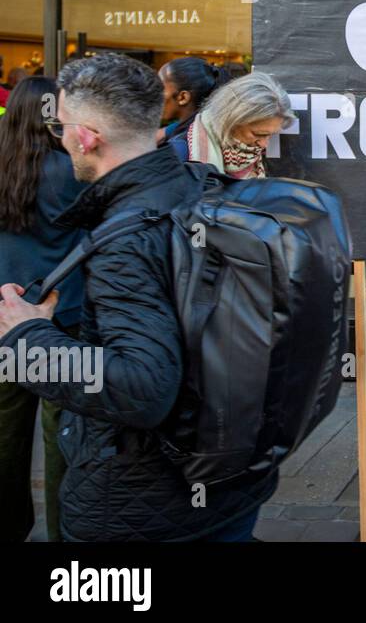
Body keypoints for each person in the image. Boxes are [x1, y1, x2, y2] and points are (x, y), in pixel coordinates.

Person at [0, 53, 278, 541]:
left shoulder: (126, 240)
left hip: (145, 503)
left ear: (86, 137)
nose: (61, 137)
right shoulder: (206, 189)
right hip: (229, 477)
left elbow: (142, 389)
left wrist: (28, 336)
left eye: (64, 126)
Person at [0, 76, 86, 541]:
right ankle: (63, 535)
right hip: (62, 320)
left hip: (4, 318)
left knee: (4, 437)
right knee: (62, 440)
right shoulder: (71, 170)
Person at [168, 71, 294, 178]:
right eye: (258, 134)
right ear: (230, 120)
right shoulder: (179, 154)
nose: (264, 144)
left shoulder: (259, 156)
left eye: (270, 135)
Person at [156, 56, 230, 146]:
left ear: (183, 97)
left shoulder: (181, 146)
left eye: (159, 88)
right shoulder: (204, 128)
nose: (154, 94)